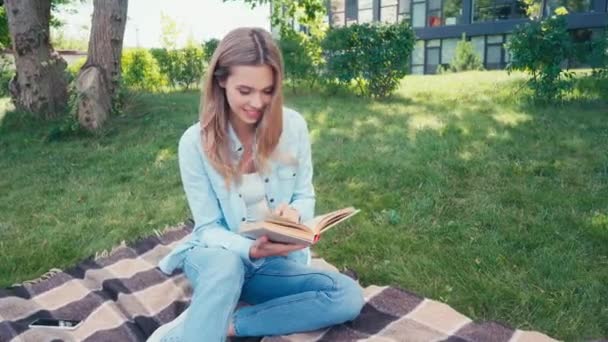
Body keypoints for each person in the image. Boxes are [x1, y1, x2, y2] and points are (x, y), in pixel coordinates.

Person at [148, 27, 364, 342]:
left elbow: (304, 195)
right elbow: (208, 228)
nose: (257, 103)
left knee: (346, 295)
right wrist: (248, 248)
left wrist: (294, 216)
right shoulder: (194, 142)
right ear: (220, 81)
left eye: (267, 91)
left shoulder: (294, 127)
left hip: (272, 263)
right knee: (226, 268)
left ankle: (219, 323)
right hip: (217, 254)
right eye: (245, 90)